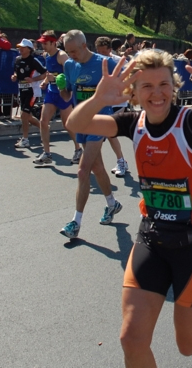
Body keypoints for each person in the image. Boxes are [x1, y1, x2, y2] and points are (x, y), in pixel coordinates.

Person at [65, 48, 192, 368]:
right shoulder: (132, 123)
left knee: (190, 344)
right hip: (152, 240)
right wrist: (98, 99)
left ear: (174, 86)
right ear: (134, 92)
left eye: (163, 84)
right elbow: (77, 123)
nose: (156, 93)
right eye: (147, 86)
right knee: (131, 340)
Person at [57, 30, 122, 239]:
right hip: (81, 123)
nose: (71, 55)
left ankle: (75, 223)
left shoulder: (105, 63)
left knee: (83, 171)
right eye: (68, 51)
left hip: (100, 122)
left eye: (74, 51)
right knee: (96, 166)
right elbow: (68, 94)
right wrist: (61, 89)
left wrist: (117, 108)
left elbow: (123, 87)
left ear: (85, 45)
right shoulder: (69, 65)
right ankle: (112, 203)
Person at [31, 30, 82, 165]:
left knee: (67, 124)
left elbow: (73, 73)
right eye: (42, 43)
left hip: (63, 93)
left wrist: (59, 79)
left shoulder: (62, 56)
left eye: (46, 43)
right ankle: (47, 153)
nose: (43, 46)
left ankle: (78, 149)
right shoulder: (46, 55)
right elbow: (49, 72)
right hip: (51, 92)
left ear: (53, 43)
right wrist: (46, 81)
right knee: (43, 121)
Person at [95, 36, 129, 177]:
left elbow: (128, 78)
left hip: (118, 101)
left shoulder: (118, 61)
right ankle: (98, 163)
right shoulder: (94, 62)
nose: (101, 54)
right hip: (103, 101)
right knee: (101, 133)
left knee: (108, 132)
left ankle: (121, 161)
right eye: (99, 51)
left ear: (110, 49)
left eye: (104, 51)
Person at [11, 39, 47, 148]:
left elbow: (45, 73)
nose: (20, 49)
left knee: (24, 115)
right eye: (19, 47)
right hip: (22, 90)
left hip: (32, 91)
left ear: (29, 49)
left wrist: (34, 79)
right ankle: (45, 128)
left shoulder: (34, 61)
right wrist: (14, 76)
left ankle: (25, 140)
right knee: (28, 116)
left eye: (23, 47)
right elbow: (16, 72)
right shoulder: (17, 60)